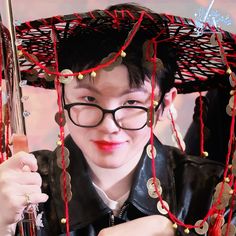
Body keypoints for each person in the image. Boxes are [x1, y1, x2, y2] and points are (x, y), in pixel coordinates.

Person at [0, 3, 235, 236]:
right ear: (61, 96)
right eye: (89, 99)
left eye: (132, 103)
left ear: (164, 104)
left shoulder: (213, 194)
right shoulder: (21, 191)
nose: (109, 126)